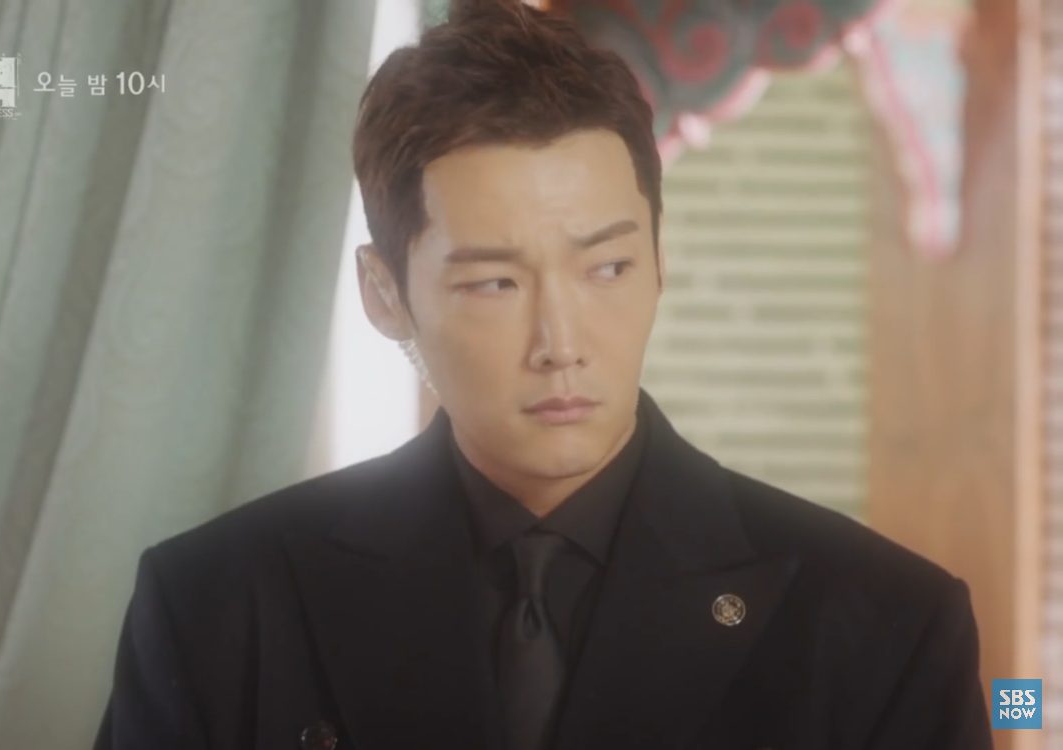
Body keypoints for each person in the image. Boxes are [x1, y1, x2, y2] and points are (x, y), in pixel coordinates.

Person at [94, 1, 993, 748]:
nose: (561, 342)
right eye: (495, 282)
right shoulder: (218, 603)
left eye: (607, 268)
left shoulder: (886, 623)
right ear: (385, 294)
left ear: (660, 261)